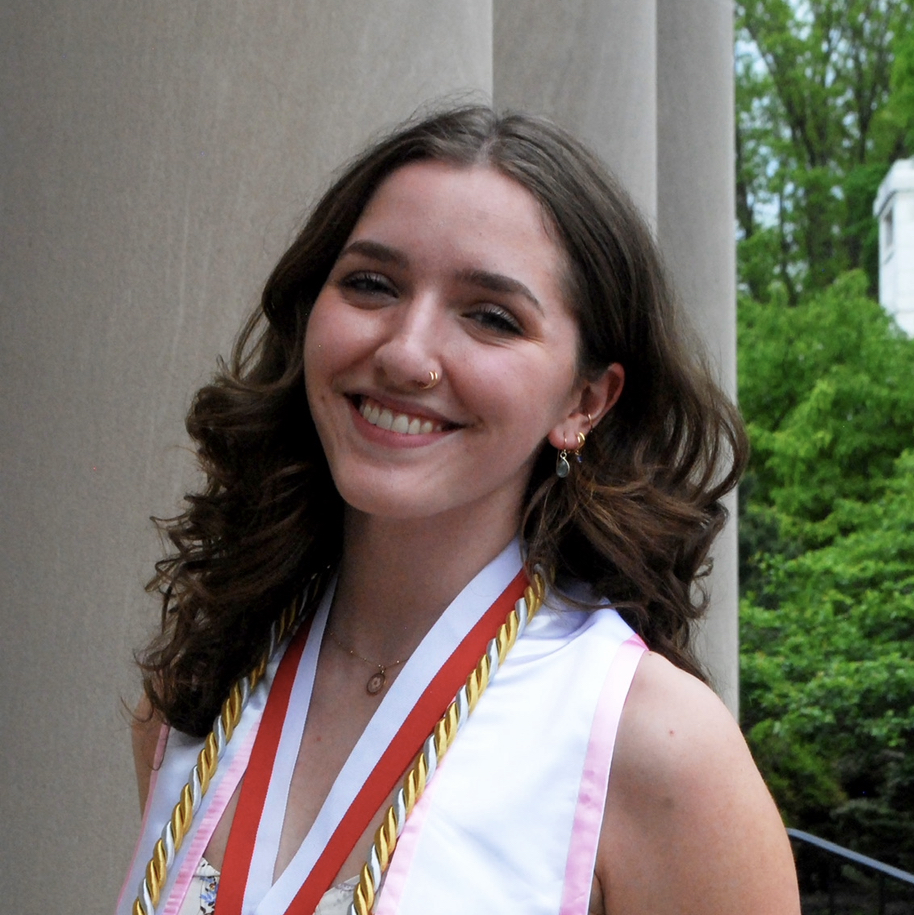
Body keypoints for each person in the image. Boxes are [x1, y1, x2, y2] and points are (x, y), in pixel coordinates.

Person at [118, 106, 801, 915]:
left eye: (491, 316)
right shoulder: (202, 679)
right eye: (371, 284)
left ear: (584, 400)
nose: (406, 353)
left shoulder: (651, 746)